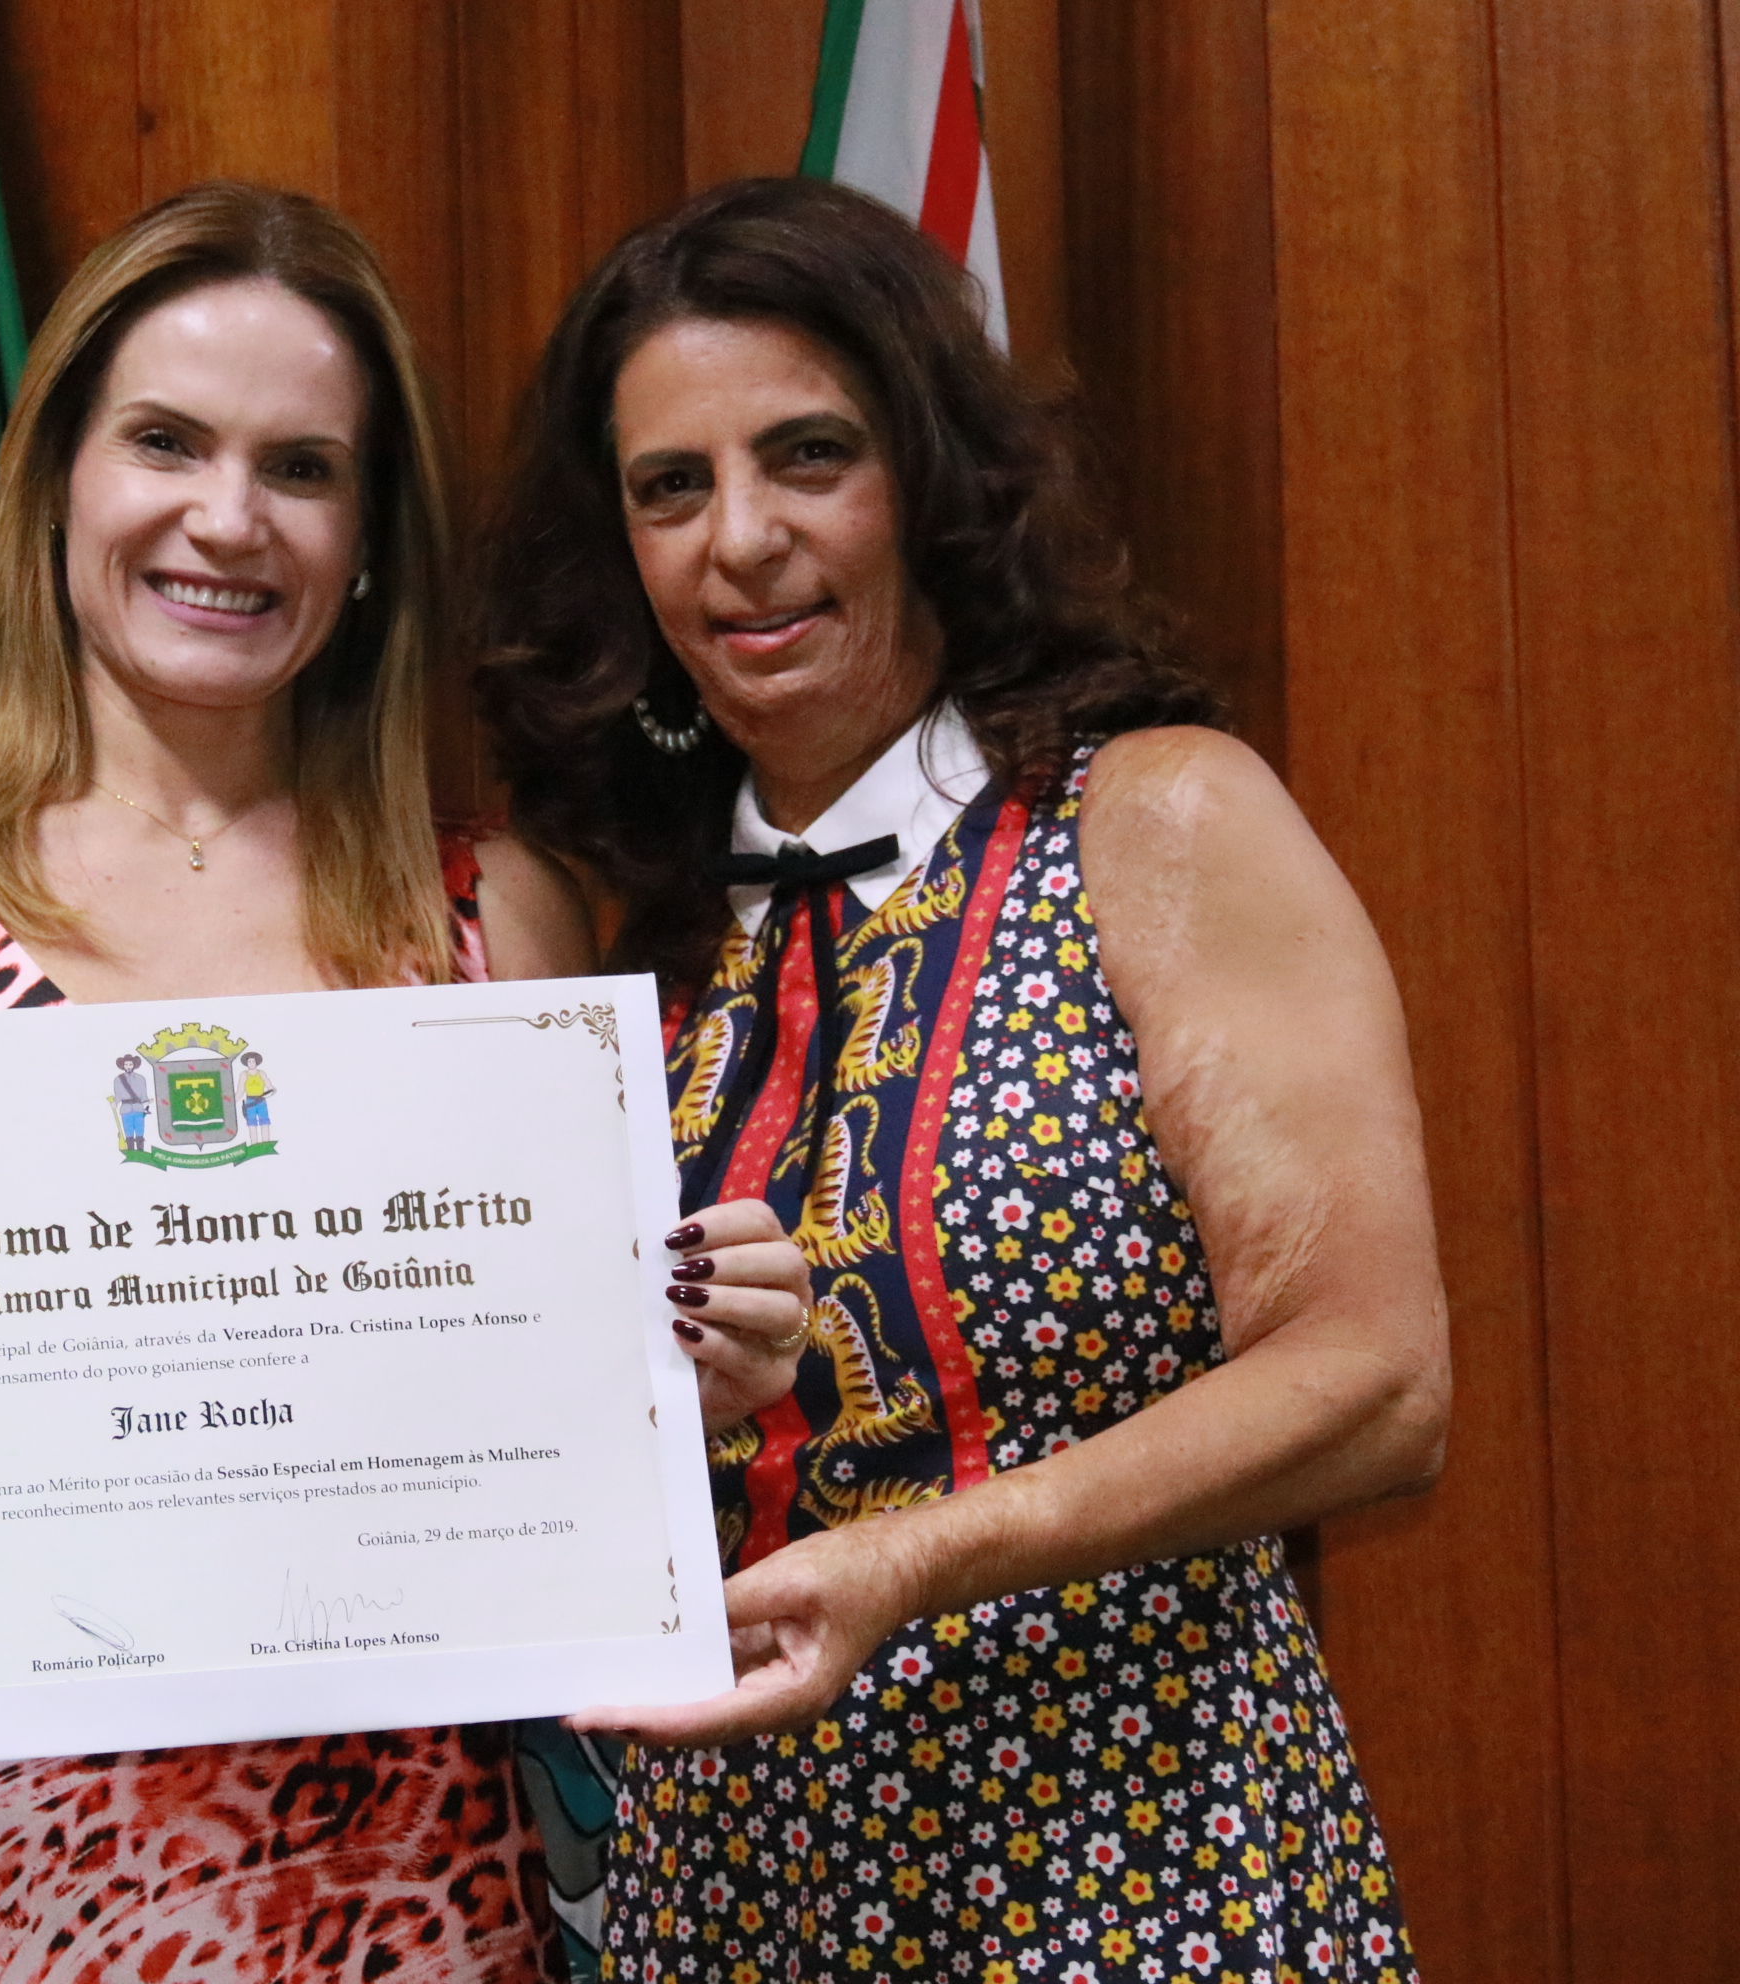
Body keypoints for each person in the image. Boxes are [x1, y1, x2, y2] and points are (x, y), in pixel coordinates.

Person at [0, 181, 810, 1983]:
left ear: (367, 537)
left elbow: (573, 1477)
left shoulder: (501, 918)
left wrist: (695, 1371)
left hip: (412, 1901)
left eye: (302, 468)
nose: (228, 518)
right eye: (165, 442)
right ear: (58, 477)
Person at [473, 175, 1445, 1982]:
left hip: (1140, 1881)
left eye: (809, 456)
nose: (740, 540)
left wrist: (921, 1561)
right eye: (670, 487)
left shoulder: (1152, 818)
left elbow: (1377, 1382)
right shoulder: (632, 953)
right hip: (728, 1903)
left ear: (927, 478)